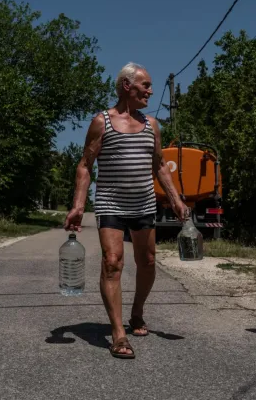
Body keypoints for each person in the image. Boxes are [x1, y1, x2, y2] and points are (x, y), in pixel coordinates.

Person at [64, 62, 188, 359]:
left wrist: (176, 198)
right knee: (112, 261)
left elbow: (159, 165)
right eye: (145, 85)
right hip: (110, 202)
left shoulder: (152, 125)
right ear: (126, 87)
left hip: (143, 202)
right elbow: (85, 165)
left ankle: (137, 311)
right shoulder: (101, 122)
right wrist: (79, 205)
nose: (150, 90)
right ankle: (119, 334)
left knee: (147, 261)